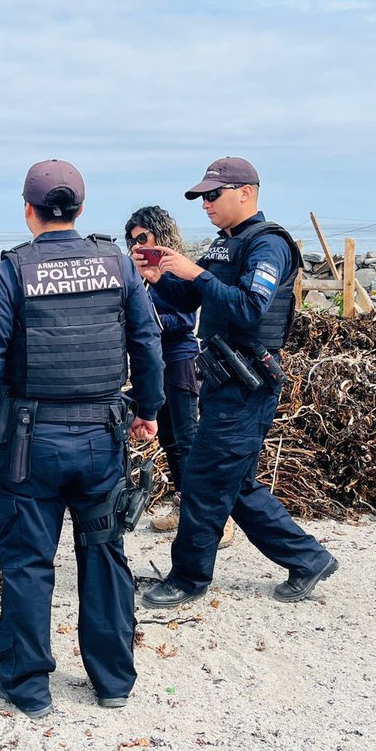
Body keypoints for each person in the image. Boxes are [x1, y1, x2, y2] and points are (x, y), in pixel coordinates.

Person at [0, 159, 164, 718]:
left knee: (28, 561)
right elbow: (147, 343)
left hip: (29, 446)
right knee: (104, 553)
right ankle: (113, 681)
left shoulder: (10, 273)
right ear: (80, 208)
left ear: (28, 210)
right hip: (101, 440)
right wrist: (148, 410)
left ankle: (28, 685)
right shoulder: (116, 264)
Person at [136, 157, 338, 609]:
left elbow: (250, 307)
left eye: (213, 195)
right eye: (202, 197)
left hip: (248, 381)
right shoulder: (223, 244)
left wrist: (195, 272)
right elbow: (189, 298)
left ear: (245, 192)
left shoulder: (268, 244)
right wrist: (160, 278)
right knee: (236, 483)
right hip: (222, 376)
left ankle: (188, 579)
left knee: (204, 479)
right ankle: (309, 558)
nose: (205, 204)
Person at [122, 206, 232, 541]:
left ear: (160, 234)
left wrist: (146, 320)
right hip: (154, 362)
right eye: (132, 240)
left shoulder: (177, 267)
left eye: (143, 237)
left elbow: (185, 319)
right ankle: (185, 505)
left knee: (188, 438)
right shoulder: (140, 273)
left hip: (181, 360)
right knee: (169, 437)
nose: (138, 245)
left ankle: (216, 518)